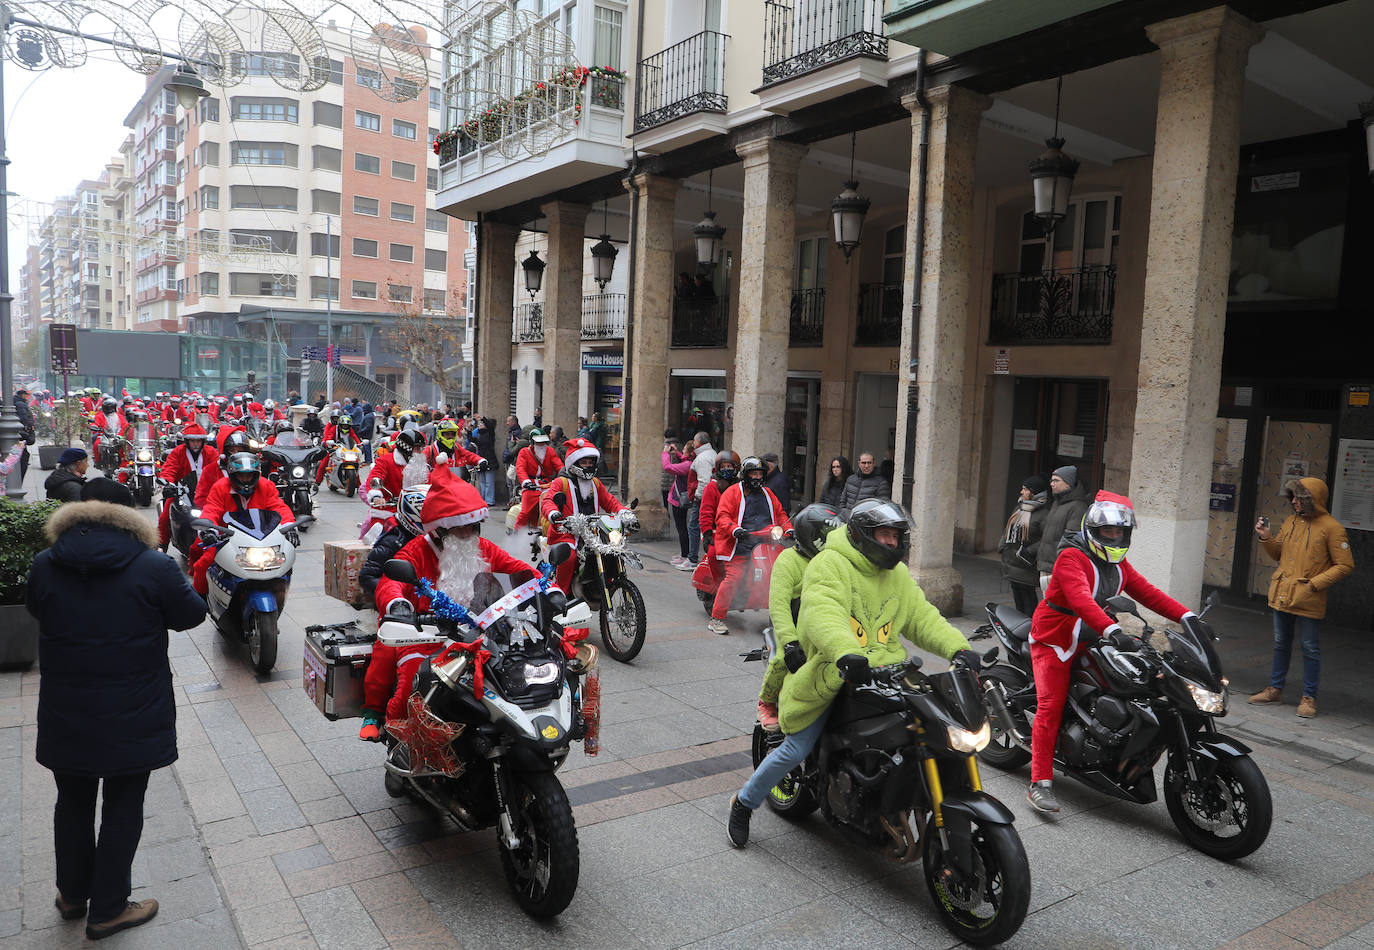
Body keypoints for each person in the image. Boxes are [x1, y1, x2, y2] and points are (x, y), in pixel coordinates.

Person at [727, 499, 973, 848]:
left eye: (896, 536)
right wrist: (845, 652)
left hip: (889, 672)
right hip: (835, 669)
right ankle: (744, 803)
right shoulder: (830, 564)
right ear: (860, 535)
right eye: (884, 535)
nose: (891, 543)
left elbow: (922, 617)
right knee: (796, 747)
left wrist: (959, 648)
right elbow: (822, 613)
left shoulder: (898, 574)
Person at [26, 478, 206, 939]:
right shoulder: (152, 565)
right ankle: (107, 908)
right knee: (124, 804)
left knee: (72, 801)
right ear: (128, 516)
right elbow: (191, 616)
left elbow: (36, 609)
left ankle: (72, 895)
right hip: (134, 709)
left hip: (67, 707)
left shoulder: (47, 563)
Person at [1027, 491, 1197, 815]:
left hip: (1095, 633)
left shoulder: (1117, 564)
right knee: (1051, 704)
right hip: (1057, 637)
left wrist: (1188, 617)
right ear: (1094, 530)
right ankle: (1040, 782)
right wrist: (1113, 631)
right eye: (1108, 531)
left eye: (1119, 531)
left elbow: (1149, 593)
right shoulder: (1071, 557)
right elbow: (1080, 600)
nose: (1114, 536)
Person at [363, 467, 536, 740]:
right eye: (459, 527)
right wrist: (397, 603)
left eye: (472, 526)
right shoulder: (416, 550)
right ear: (439, 529)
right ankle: (395, 729)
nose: (468, 533)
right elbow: (389, 582)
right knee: (409, 673)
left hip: (481, 629)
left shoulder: (484, 547)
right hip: (425, 632)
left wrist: (546, 588)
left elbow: (518, 568)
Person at [1248, 477, 1353, 718]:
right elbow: (1278, 554)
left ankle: (1309, 698)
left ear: (1311, 500)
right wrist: (1265, 536)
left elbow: (1345, 565)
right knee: (1280, 644)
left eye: (1298, 497)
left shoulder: (1332, 528)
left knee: (1310, 648)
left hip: (1309, 597)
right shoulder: (1291, 522)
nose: (1293, 501)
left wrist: (1315, 585)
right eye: (1292, 497)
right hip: (1283, 593)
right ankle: (1275, 689)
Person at [756, 504, 843, 731]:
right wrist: (790, 641)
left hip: (824, 628)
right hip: (793, 628)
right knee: (780, 660)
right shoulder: (788, 560)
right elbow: (779, 605)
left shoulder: (833, 562)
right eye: (825, 536)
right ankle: (767, 702)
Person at [191, 453, 297, 596]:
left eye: (249, 476)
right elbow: (212, 509)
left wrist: (289, 526)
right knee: (204, 564)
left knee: (284, 563)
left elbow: (278, 507)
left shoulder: (266, 486)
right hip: (227, 539)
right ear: (232, 475)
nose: (246, 480)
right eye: (241, 476)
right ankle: (199, 600)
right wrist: (209, 530)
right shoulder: (220, 487)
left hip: (262, 540)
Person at [708, 457, 793, 635]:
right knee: (734, 578)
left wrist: (789, 529)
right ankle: (717, 618)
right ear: (745, 475)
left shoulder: (768, 494)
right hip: (739, 544)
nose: (756, 477)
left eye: (760, 474)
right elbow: (722, 516)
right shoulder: (732, 492)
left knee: (782, 576)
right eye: (753, 473)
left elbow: (781, 514)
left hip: (766, 544)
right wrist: (735, 529)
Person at [540, 439, 630, 594]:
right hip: (566, 532)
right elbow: (548, 500)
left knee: (613, 552)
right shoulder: (561, 482)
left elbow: (610, 502)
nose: (588, 465)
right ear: (574, 462)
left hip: (594, 533)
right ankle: (561, 593)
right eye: (584, 462)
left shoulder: (595, 483)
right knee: (569, 558)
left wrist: (624, 512)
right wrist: (554, 513)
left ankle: (604, 587)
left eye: (591, 462)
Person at [359, 484, 429, 606]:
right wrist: (396, 598)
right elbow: (367, 576)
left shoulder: (429, 537)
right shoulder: (394, 540)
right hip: (401, 606)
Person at [156, 424, 218, 552]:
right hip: (181, 491)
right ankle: (161, 546)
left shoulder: (211, 452)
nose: (195, 444)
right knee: (164, 516)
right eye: (192, 441)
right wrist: (167, 483)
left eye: (198, 441)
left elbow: (217, 470)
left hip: (207, 493)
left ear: (203, 441)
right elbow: (169, 468)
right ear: (187, 441)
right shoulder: (178, 452)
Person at [1035, 466, 1092, 594]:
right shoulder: (1057, 503)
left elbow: (1072, 540)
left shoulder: (1078, 507)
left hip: (1058, 566)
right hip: (1046, 564)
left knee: (1055, 605)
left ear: (1068, 483)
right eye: (1051, 480)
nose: (1051, 484)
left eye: (1056, 480)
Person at [999, 475, 1049, 615]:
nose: (1021, 492)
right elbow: (1008, 528)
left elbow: (1047, 539)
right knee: (1018, 597)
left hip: (1026, 563)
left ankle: (1030, 630)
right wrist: (1002, 545)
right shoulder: (1019, 507)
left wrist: (1029, 551)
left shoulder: (1044, 514)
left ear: (1034, 492)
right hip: (1012, 561)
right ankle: (1020, 629)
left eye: (1025, 489)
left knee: (1028, 599)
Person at [514, 428, 562, 529]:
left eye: (543, 442)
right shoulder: (524, 452)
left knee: (558, 507)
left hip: (547, 484)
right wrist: (526, 482)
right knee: (525, 511)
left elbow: (558, 465)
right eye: (538, 442)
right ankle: (516, 533)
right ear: (532, 442)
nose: (542, 445)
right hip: (531, 485)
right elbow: (520, 468)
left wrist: (564, 474)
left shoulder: (550, 451)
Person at [662, 436, 694, 568]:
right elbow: (684, 460)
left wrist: (665, 453)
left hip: (679, 500)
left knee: (681, 528)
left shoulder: (688, 465)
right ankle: (684, 554)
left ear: (690, 452)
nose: (683, 451)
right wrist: (677, 453)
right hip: (679, 498)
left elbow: (668, 467)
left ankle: (685, 555)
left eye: (685, 449)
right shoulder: (690, 462)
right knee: (682, 527)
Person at [687, 432, 717, 565]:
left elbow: (704, 481)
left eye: (694, 440)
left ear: (699, 442)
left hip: (702, 499)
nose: (693, 443)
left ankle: (693, 558)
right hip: (708, 497)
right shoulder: (711, 454)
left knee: (695, 526)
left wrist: (698, 497)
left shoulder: (703, 458)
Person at [469, 412, 499, 504]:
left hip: (490, 460)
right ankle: (482, 499)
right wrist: (469, 431)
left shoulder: (490, 433)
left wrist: (482, 418)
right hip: (481, 460)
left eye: (482, 424)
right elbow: (472, 440)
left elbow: (490, 426)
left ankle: (489, 500)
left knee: (489, 482)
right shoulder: (480, 435)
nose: (480, 425)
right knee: (482, 481)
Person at [12, 387, 36, 479]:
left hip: (18, 432)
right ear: (22, 395)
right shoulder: (21, 404)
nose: (27, 397)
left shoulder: (16, 402)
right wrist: (27, 427)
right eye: (26, 395)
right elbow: (23, 417)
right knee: (23, 455)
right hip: (20, 433)